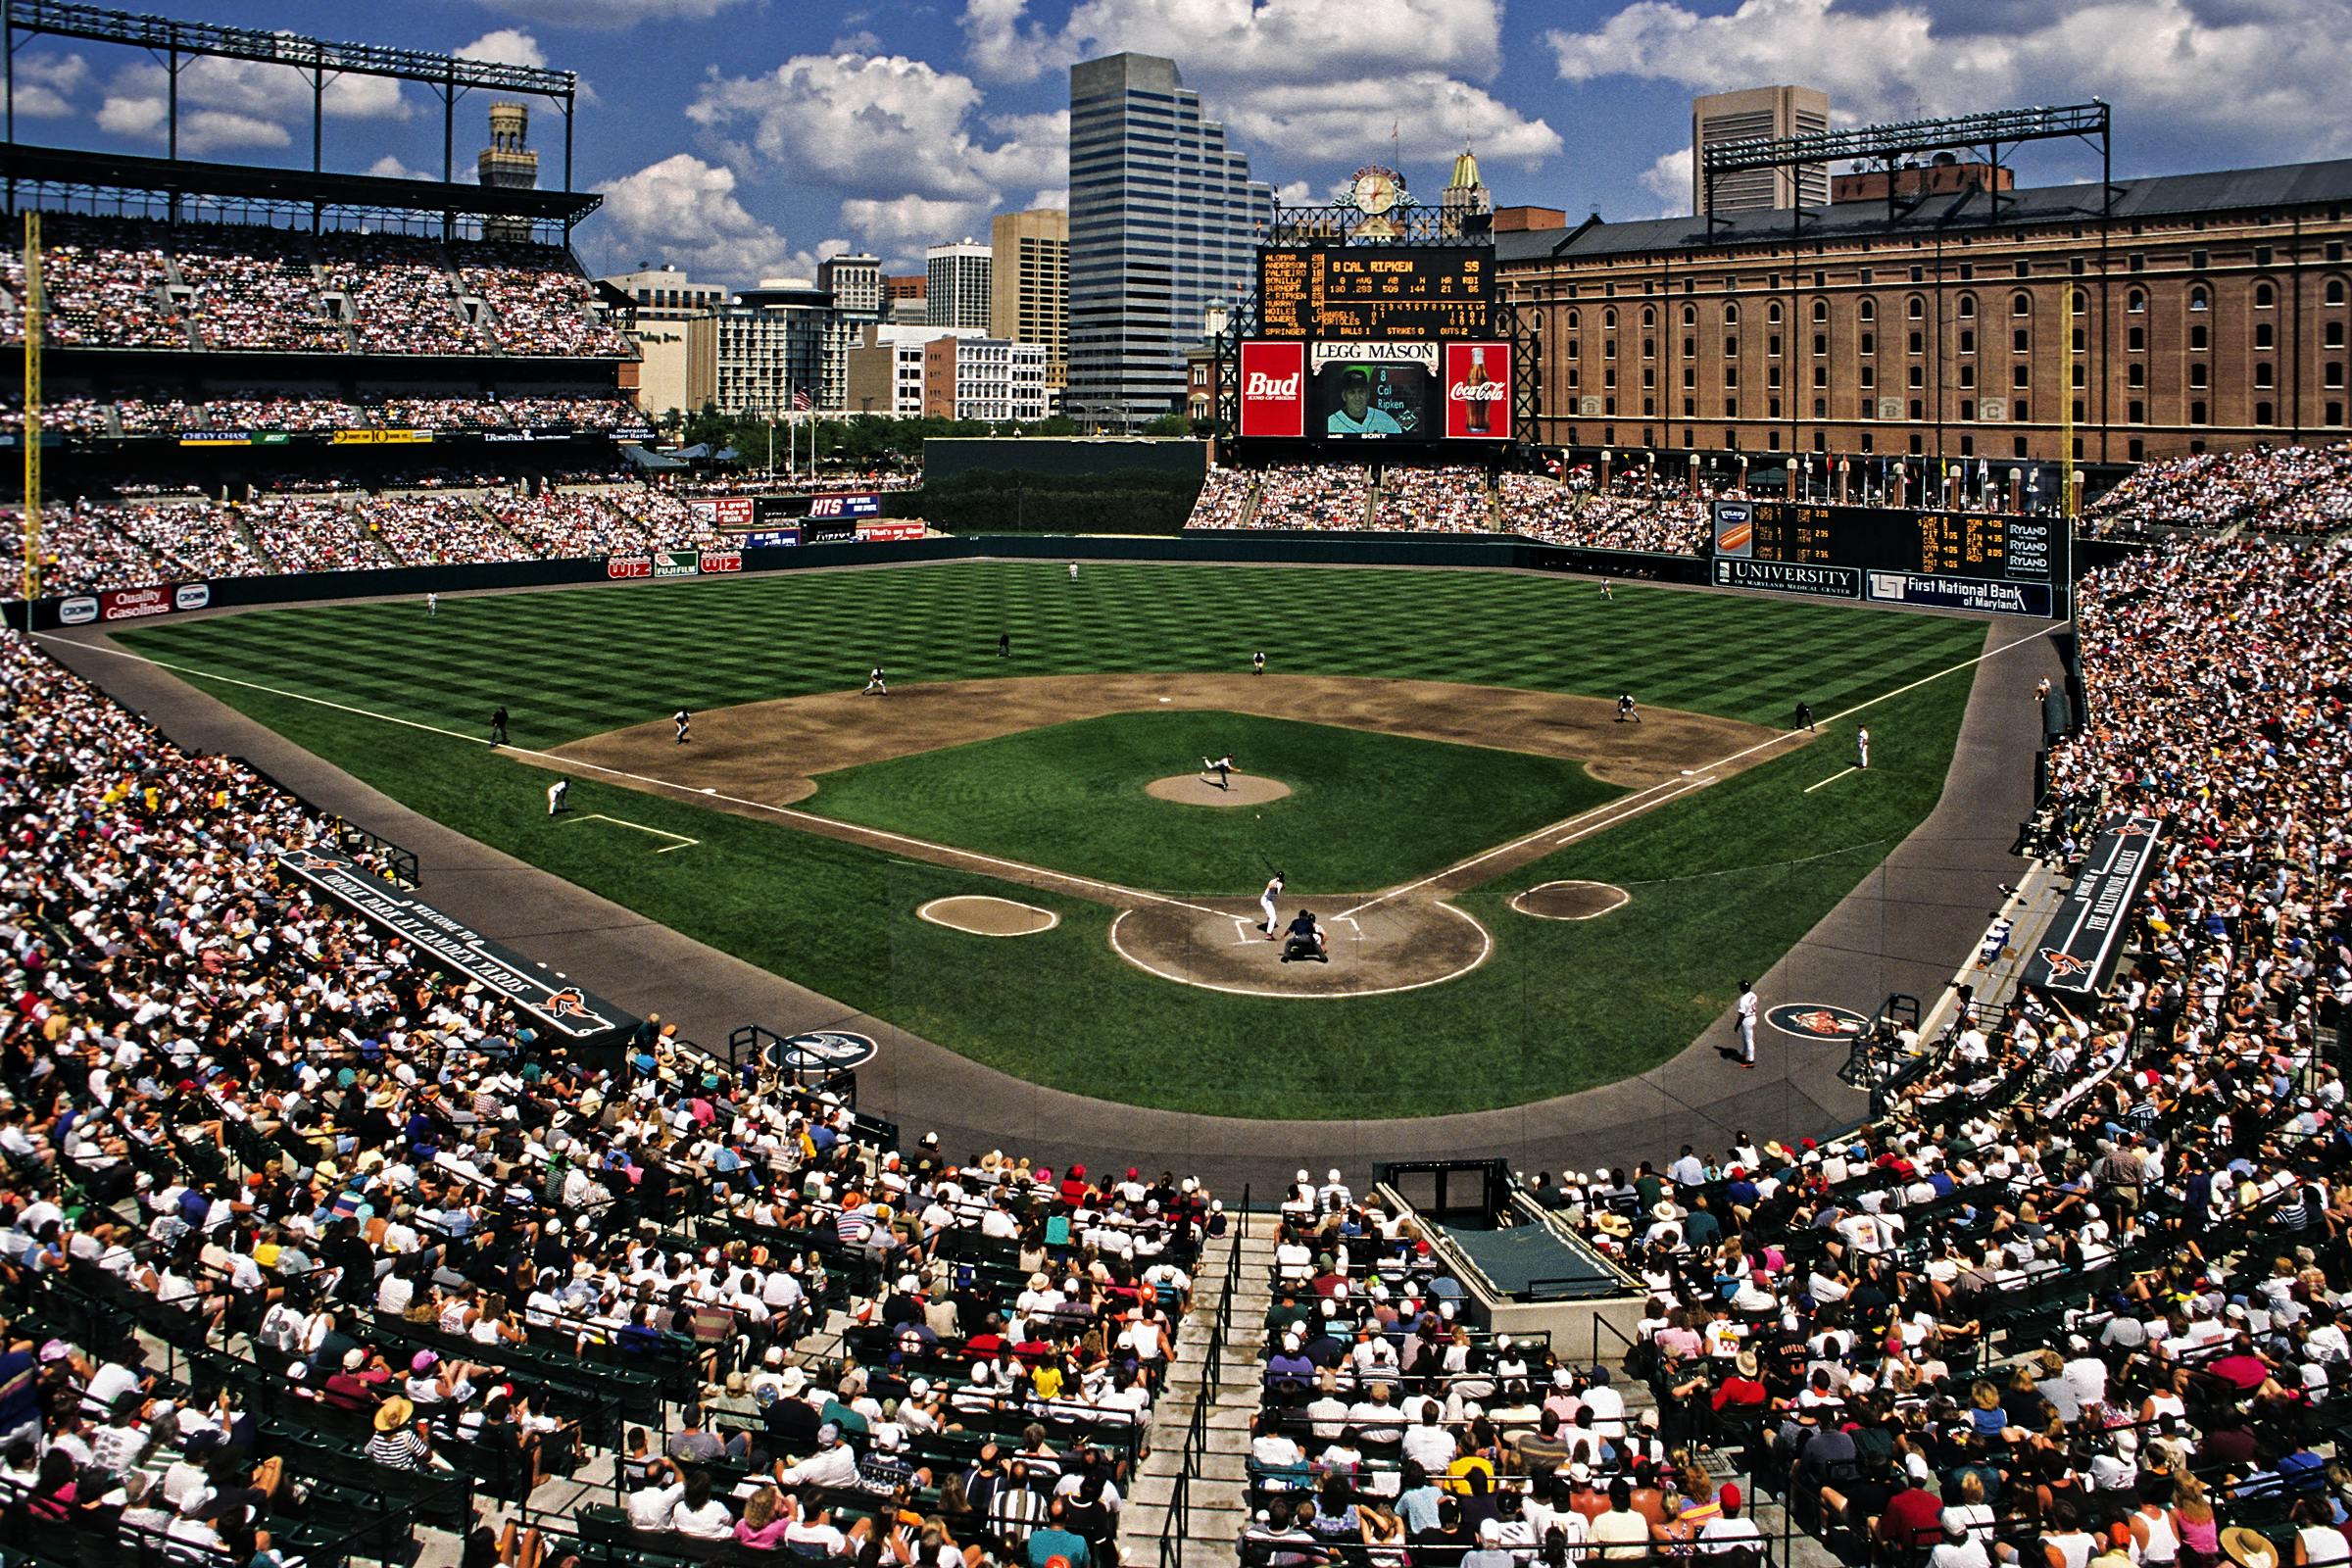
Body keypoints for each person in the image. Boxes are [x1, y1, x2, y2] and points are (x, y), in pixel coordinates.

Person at [1327, 368, 1403, 436]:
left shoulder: (1385, 419)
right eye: (1352, 392)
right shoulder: (1331, 423)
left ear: (1368, 394)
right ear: (1344, 396)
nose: (1357, 397)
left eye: (1361, 392)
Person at [1735, 980, 1757, 1068]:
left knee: (1749, 1040)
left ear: (1742, 989)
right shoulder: (1753, 995)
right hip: (1752, 1017)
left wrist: (1736, 1025)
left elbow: (1742, 1015)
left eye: (1740, 987)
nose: (1739, 988)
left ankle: (1750, 1061)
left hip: (1746, 1020)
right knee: (1745, 1037)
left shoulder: (1743, 1000)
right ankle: (1743, 1052)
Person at [1259, 871, 1286, 939]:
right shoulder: (1276, 883)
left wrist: (1282, 884)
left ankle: (1268, 925)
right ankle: (1269, 934)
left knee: (1271, 915)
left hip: (1266, 900)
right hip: (1266, 901)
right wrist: (1276, 884)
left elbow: (1283, 887)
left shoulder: (1276, 882)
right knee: (1273, 917)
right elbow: (1271, 888)